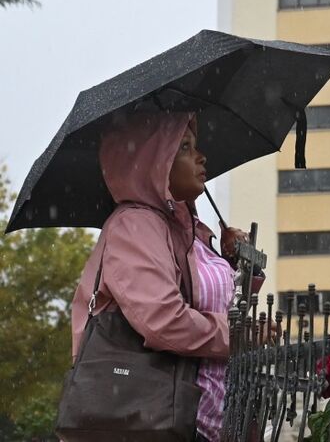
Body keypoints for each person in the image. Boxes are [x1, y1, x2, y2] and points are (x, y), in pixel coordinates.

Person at [71, 111, 253, 442]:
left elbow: (211, 304)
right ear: (152, 162)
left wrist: (236, 264)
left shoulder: (189, 231)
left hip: (189, 421)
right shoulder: (135, 226)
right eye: (184, 147)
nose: (201, 157)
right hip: (143, 418)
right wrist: (238, 335)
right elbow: (164, 321)